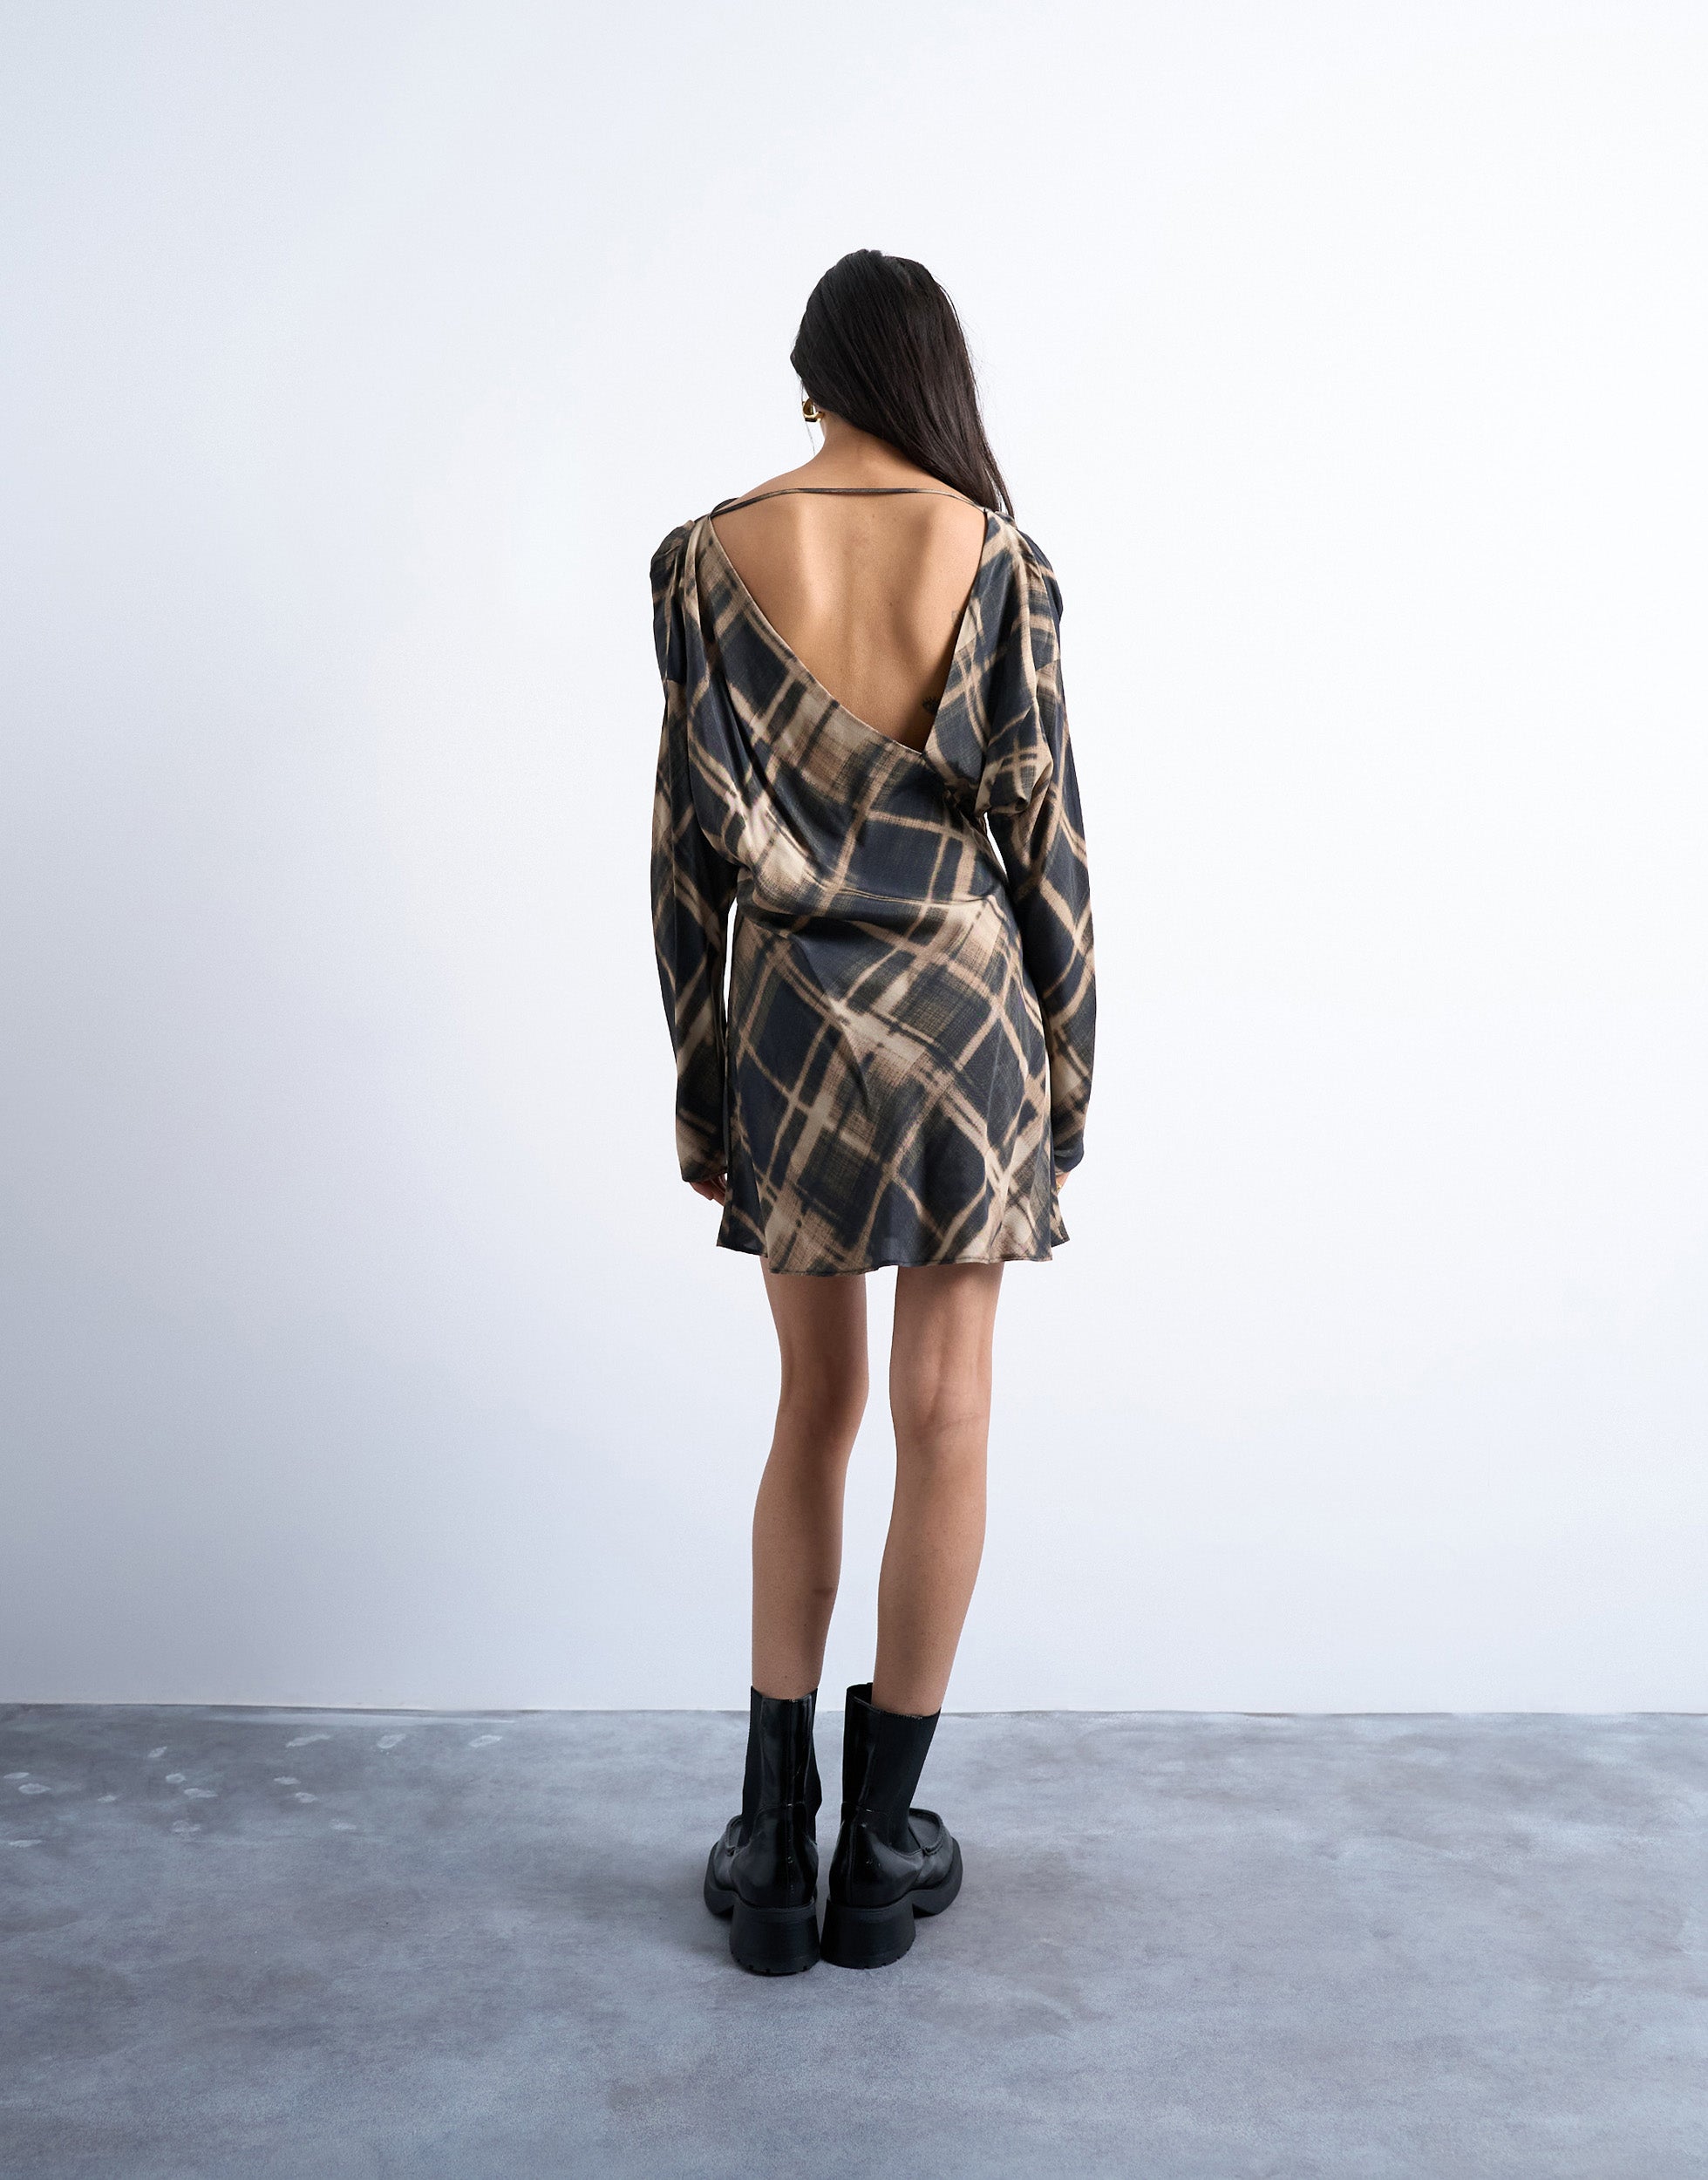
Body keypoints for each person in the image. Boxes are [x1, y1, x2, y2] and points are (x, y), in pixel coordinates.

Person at [649, 249, 1096, 1973]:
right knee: (947, 1416)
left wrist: (704, 1084)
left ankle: (773, 1847)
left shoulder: (707, 560)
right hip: (965, 1024)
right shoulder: (999, 558)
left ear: (811, 375)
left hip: (791, 1024)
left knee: (812, 1407)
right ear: (931, 377)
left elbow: (684, 859)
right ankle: (879, 1853)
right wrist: (1063, 1072)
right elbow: (1045, 846)